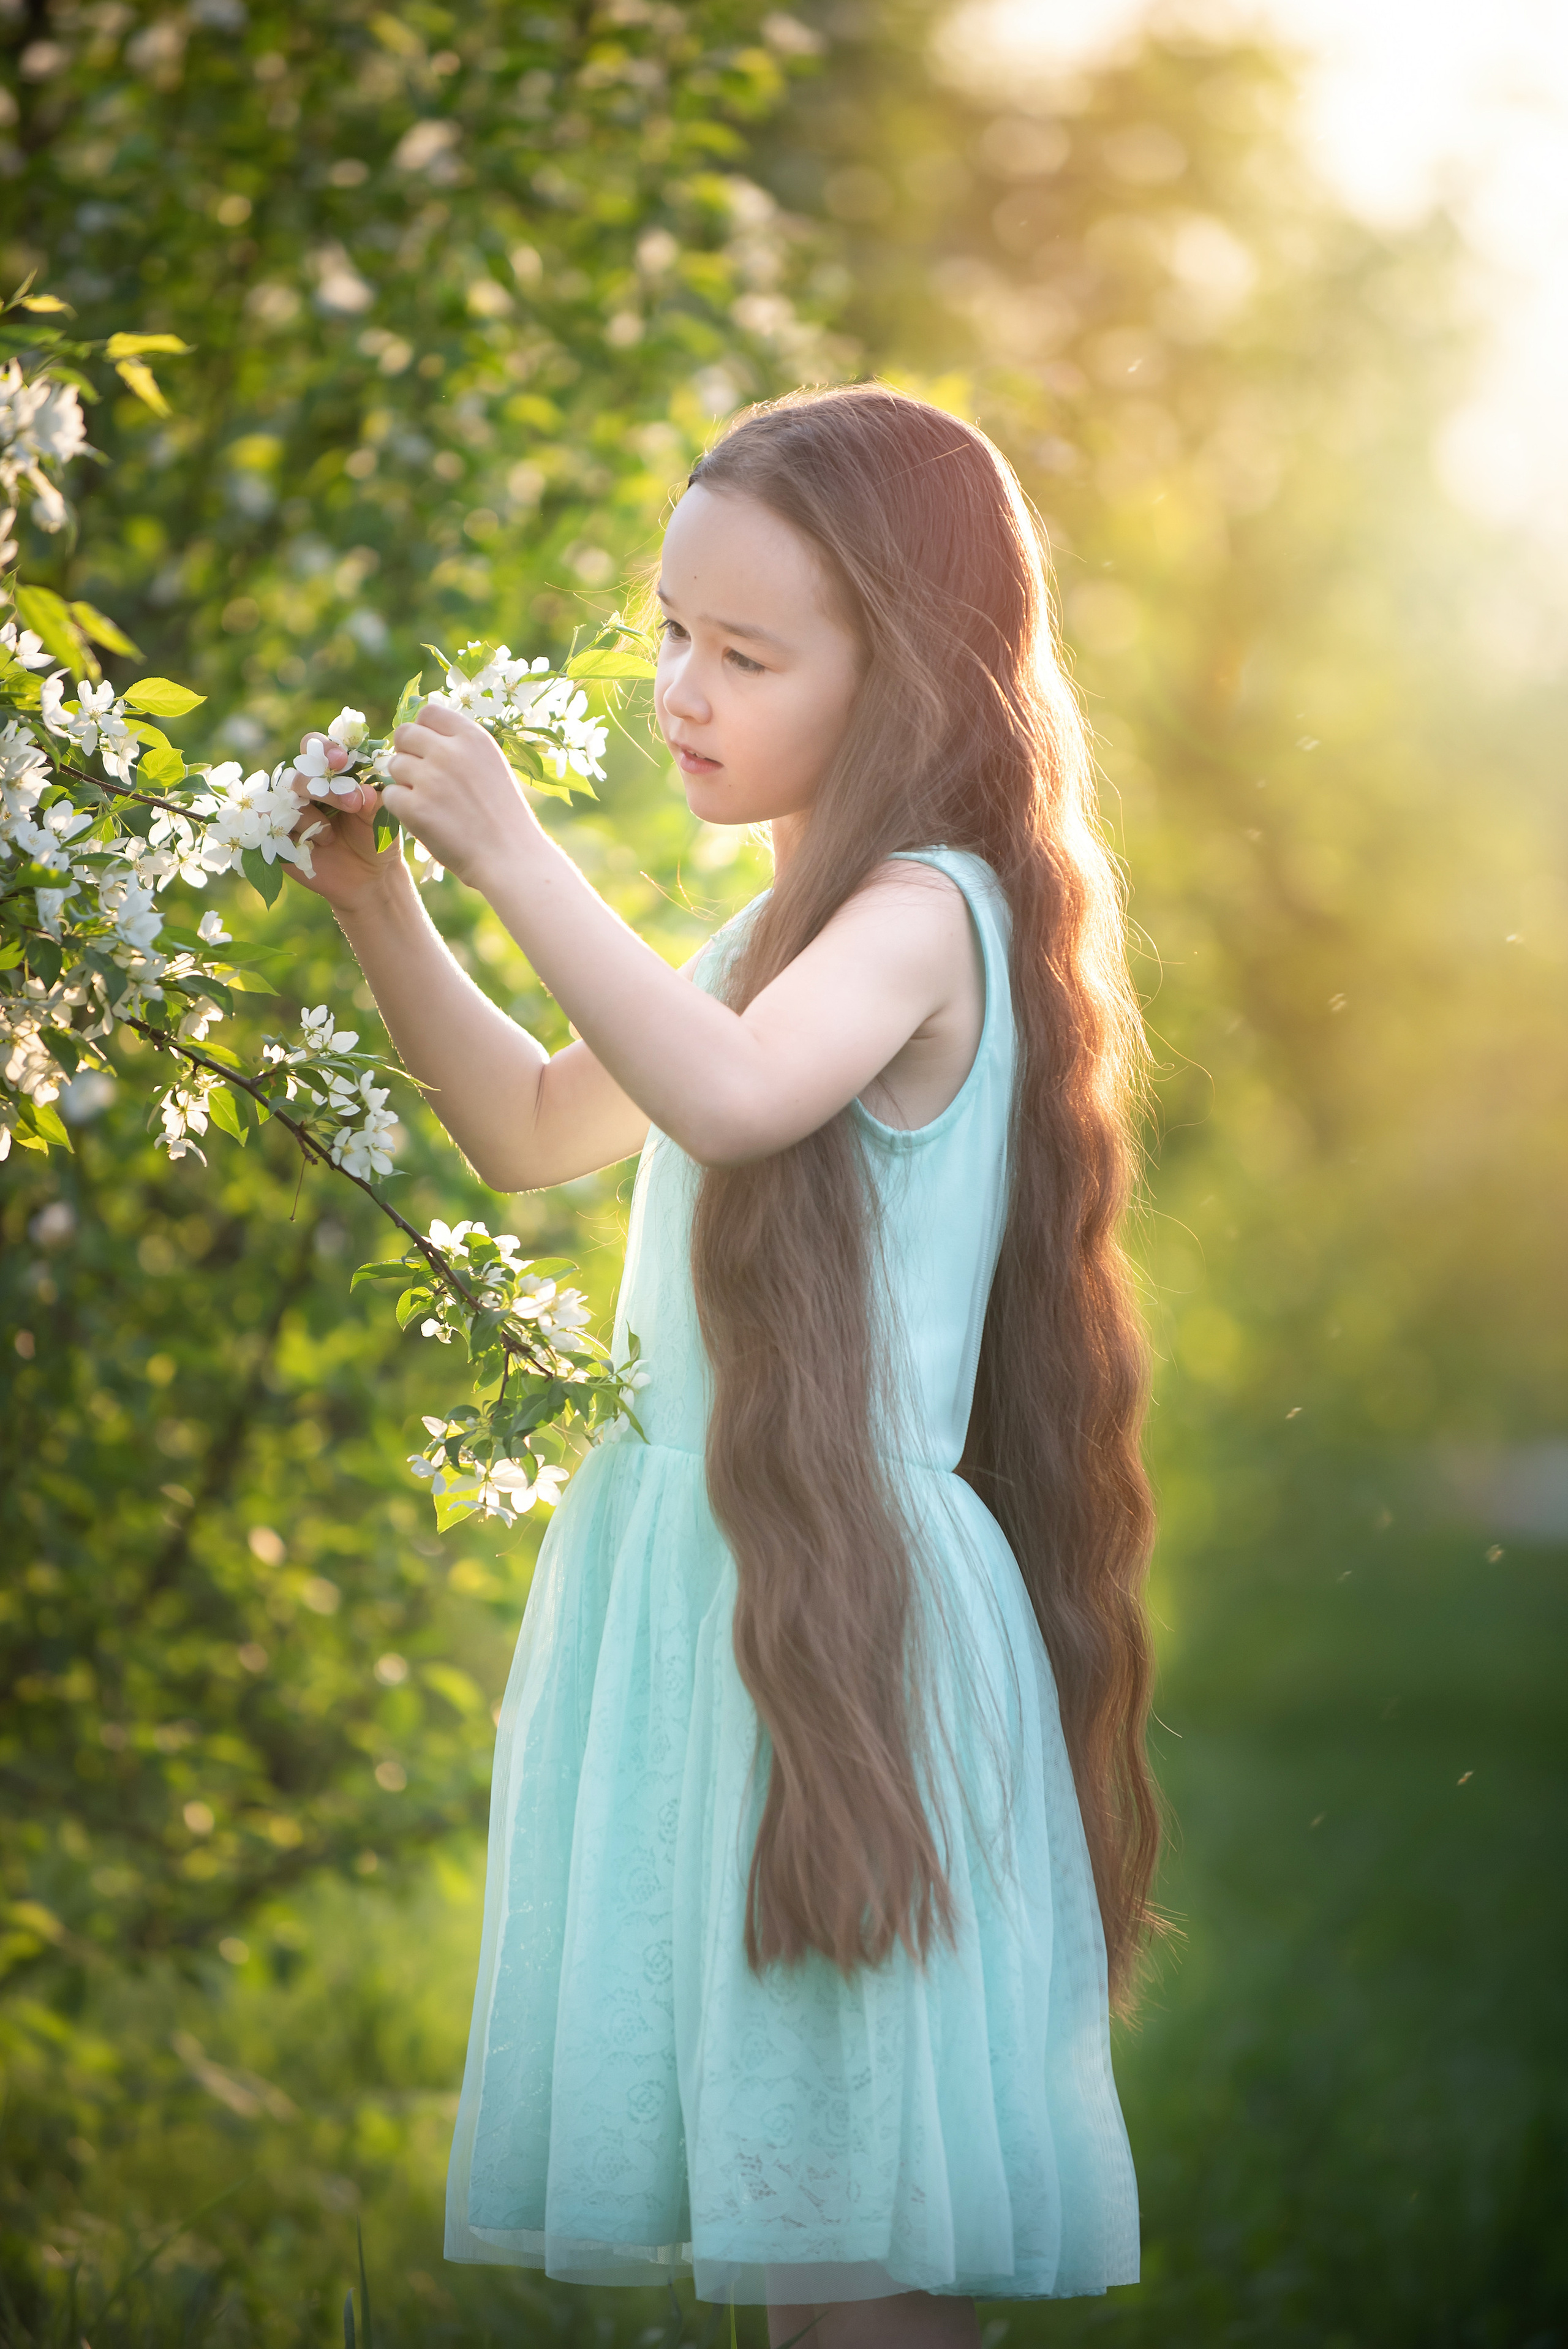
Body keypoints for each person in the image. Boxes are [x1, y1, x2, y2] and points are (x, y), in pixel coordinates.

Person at [289, 383, 1159, 2347]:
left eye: (746, 653)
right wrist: (384, 902)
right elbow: (530, 1123)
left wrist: (517, 851)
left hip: (841, 1644)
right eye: (673, 628)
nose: (683, 686)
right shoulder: (776, 931)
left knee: (857, 2268)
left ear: (909, 674)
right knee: (804, 2249)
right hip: (739, 1625)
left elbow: (746, 1101)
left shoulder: (927, 913)